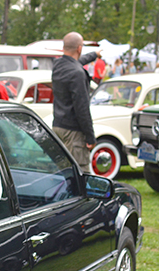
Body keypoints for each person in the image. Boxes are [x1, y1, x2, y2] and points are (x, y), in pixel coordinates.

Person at [52, 32, 99, 173]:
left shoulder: (58, 66)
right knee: (80, 172)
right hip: (73, 131)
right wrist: (91, 137)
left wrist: (95, 54)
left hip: (58, 126)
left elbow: (75, 62)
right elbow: (82, 108)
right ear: (79, 48)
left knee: (64, 171)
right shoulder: (77, 73)